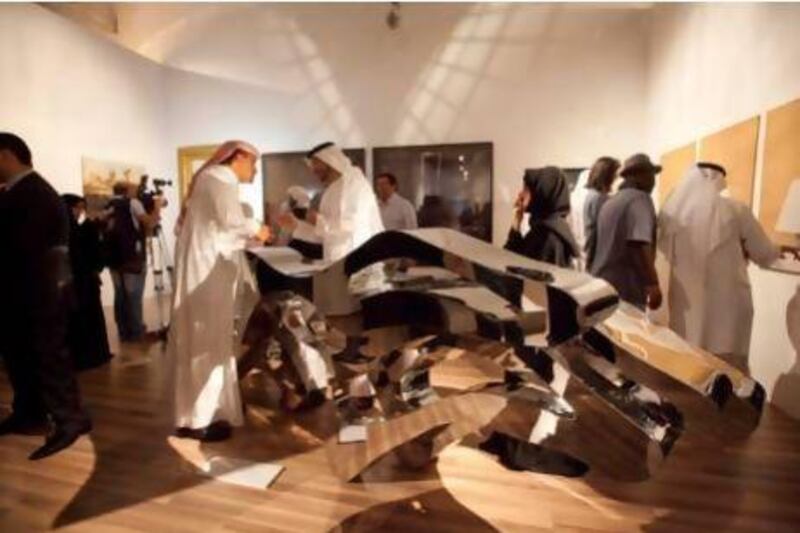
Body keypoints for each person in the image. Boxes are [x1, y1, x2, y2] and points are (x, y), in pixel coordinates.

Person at [169, 140, 271, 442]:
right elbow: (232, 223)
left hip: (205, 271)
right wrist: (257, 228)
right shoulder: (220, 178)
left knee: (204, 343)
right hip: (208, 276)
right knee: (209, 344)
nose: (253, 171)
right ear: (238, 157)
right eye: (253, 163)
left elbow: (222, 233)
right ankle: (203, 418)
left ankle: (197, 416)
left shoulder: (208, 179)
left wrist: (250, 236)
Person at [0, 133, 91, 460]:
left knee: (50, 359)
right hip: (27, 292)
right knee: (22, 357)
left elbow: (26, 247)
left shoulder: (34, 192)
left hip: (40, 292)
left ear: (8, 155)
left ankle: (70, 420)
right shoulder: (23, 191)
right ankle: (30, 413)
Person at [658, 162, 790, 371]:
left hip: (688, 305)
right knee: (728, 368)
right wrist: (779, 249)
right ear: (715, 178)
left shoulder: (674, 215)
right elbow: (763, 253)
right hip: (728, 304)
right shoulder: (735, 210)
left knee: (692, 363)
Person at [590, 153, 662, 311]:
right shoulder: (640, 200)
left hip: (602, 286)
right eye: (651, 175)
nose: (653, 181)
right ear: (639, 175)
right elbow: (638, 244)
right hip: (626, 291)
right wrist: (653, 284)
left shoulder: (610, 202)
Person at [61, 194, 112, 371]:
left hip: (82, 283)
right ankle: (89, 356)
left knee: (88, 318)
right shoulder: (74, 229)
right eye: (78, 207)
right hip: (80, 283)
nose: (80, 211)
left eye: (82, 207)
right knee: (84, 319)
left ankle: (93, 354)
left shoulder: (75, 228)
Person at [106, 181, 162, 342]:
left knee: (120, 295)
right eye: (135, 189)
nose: (137, 192)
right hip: (133, 257)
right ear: (128, 191)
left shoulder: (108, 203)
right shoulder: (133, 203)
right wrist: (157, 206)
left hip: (113, 258)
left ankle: (124, 332)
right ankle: (137, 333)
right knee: (134, 295)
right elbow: (150, 223)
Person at [505, 166, 579, 267]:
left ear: (541, 192)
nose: (520, 194)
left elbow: (512, 265)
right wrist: (517, 221)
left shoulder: (546, 236)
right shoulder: (551, 227)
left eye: (526, 189)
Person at [583, 157, 620, 270]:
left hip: (594, 255)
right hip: (600, 257)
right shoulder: (599, 198)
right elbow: (601, 232)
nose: (616, 178)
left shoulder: (592, 195)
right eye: (614, 174)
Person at [285, 185, 323, 259]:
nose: (289, 201)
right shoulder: (296, 211)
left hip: (306, 244)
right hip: (302, 242)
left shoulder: (302, 211)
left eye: (291, 199)